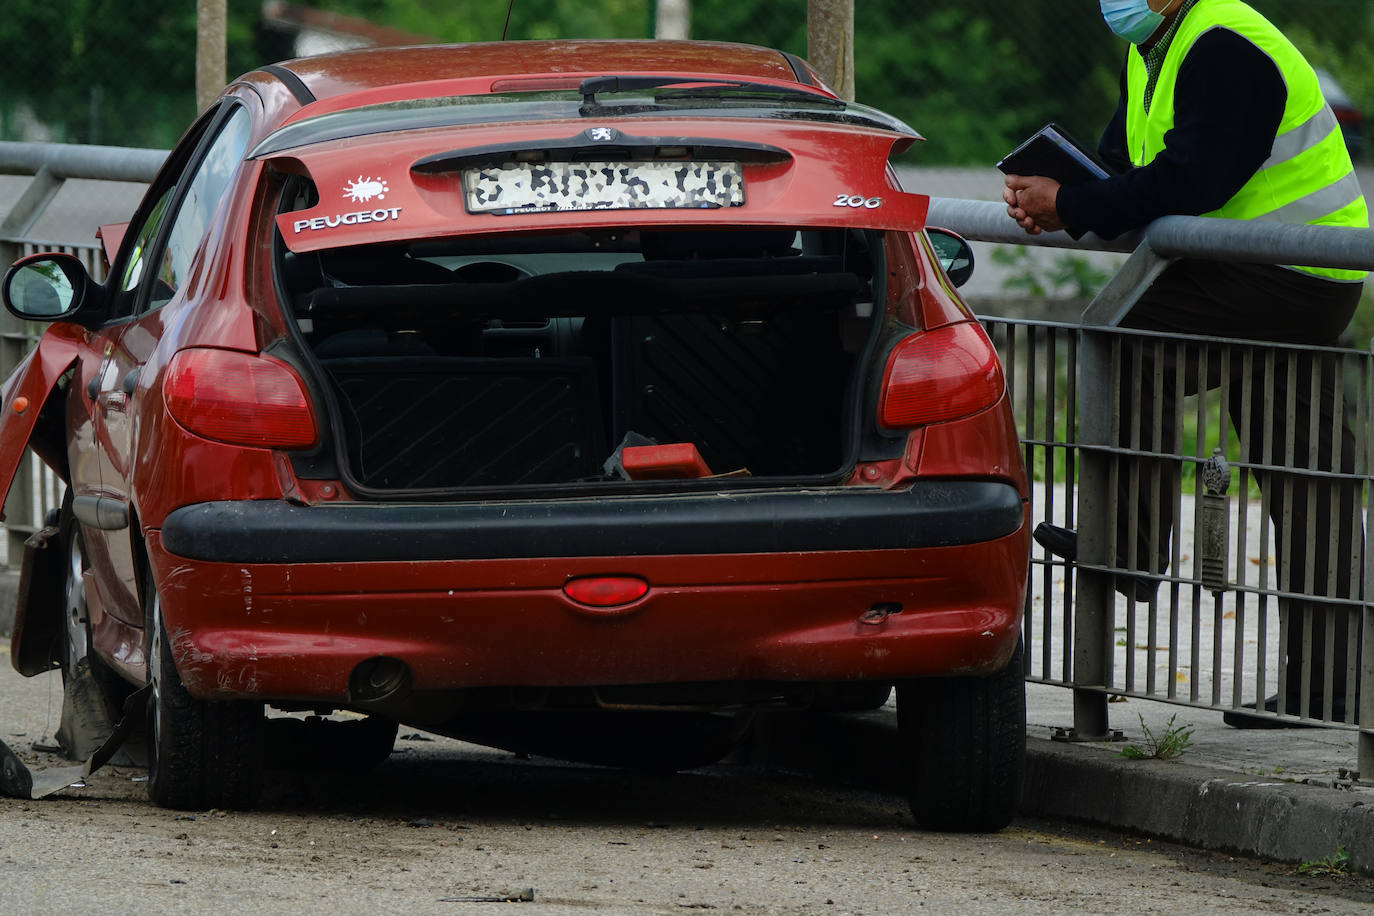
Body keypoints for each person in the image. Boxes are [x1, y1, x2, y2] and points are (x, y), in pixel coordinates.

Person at [1004, 0, 1368, 727]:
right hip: (1284, 274)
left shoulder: (1221, 42)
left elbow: (1192, 181)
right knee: (1307, 470)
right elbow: (1129, 167)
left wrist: (1071, 202)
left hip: (1284, 273)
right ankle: (1328, 688)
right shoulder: (1160, 46)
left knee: (1127, 338)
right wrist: (1067, 193)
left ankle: (1131, 547)